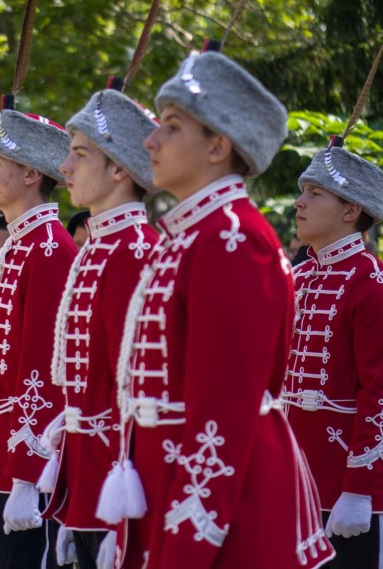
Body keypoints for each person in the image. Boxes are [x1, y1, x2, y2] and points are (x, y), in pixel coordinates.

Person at [113, 45, 335, 568]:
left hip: (227, 513)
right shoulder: (196, 234)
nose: (150, 140)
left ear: (218, 147)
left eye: (171, 126)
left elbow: (223, 415)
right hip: (169, 482)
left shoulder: (231, 240)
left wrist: (188, 540)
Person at [39, 84, 160, 568]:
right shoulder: (101, 246)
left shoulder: (134, 250)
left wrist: (118, 523)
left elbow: (137, 392)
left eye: (79, 155)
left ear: (118, 168)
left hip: (119, 482)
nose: (64, 168)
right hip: (89, 473)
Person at [0, 98, 75, 568]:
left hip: (20, 457)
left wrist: (28, 476)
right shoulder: (21, 242)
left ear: (32, 174)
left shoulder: (49, 248)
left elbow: (43, 372)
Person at [281, 136, 383, 568]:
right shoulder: (300, 277)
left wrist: (361, 487)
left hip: (350, 490)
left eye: (314, 193)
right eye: (302, 191)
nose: (298, 203)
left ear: (351, 211)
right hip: (294, 481)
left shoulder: (374, 284)